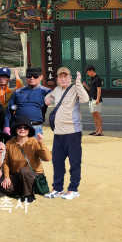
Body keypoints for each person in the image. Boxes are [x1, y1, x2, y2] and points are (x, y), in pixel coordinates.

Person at [44, 68, 89, 200]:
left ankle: (73, 189)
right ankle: (57, 188)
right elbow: (49, 96)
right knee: (57, 162)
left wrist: (79, 83)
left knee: (74, 162)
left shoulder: (75, 88)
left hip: (72, 132)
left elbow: (85, 99)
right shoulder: (57, 90)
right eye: (61, 77)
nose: (63, 79)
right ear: (57, 79)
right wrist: (48, 98)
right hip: (58, 133)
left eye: (66, 76)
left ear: (70, 78)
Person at [1, 116, 51, 203]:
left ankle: (29, 195)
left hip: (33, 174)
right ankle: (22, 189)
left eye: (25, 127)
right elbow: (6, 162)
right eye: (19, 127)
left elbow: (47, 158)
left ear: (29, 130)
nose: (22, 129)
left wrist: (41, 143)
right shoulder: (9, 143)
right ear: (16, 129)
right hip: (16, 175)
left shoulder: (34, 142)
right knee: (6, 187)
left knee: (24, 170)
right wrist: (6, 177)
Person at [4, 67, 52, 137]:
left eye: (35, 76)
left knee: (35, 145)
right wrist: (6, 126)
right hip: (18, 127)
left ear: (41, 77)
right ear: (26, 77)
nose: (32, 78)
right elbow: (9, 110)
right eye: (29, 76)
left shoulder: (46, 91)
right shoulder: (18, 91)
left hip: (35, 127)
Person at [84, 65, 104, 136]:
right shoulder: (91, 79)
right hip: (91, 99)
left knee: (97, 114)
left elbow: (99, 89)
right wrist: (85, 85)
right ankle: (96, 130)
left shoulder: (98, 78)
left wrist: (97, 99)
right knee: (94, 115)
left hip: (96, 99)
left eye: (88, 72)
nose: (87, 74)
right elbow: (90, 89)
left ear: (91, 71)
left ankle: (100, 132)